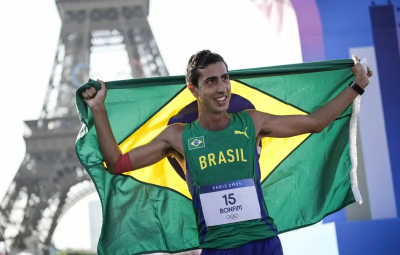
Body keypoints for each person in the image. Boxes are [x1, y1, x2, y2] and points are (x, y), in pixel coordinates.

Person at [81, 50, 372, 255]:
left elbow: (316, 122)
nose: (222, 88)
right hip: (218, 249)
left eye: (225, 78)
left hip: (264, 243)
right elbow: (117, 163)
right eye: (211, 81)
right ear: (192, 89)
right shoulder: (179, 137)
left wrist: (357, 85)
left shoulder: (252, 122)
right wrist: (99, 110)